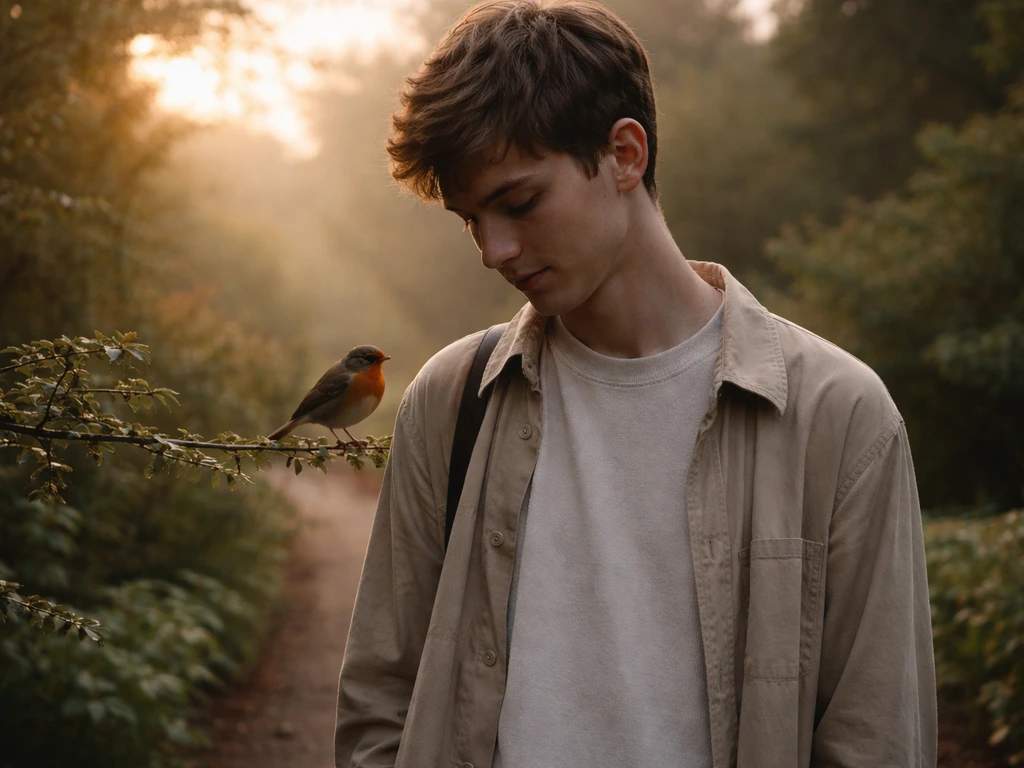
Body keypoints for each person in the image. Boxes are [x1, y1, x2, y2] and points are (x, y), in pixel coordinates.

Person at [334, 1, 937, 766]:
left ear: (625, 154)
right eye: (470, 219)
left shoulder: (839, 416)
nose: (493, 249)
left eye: (518, 203)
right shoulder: (455, 397)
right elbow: (378, 701)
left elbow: (877, 737)